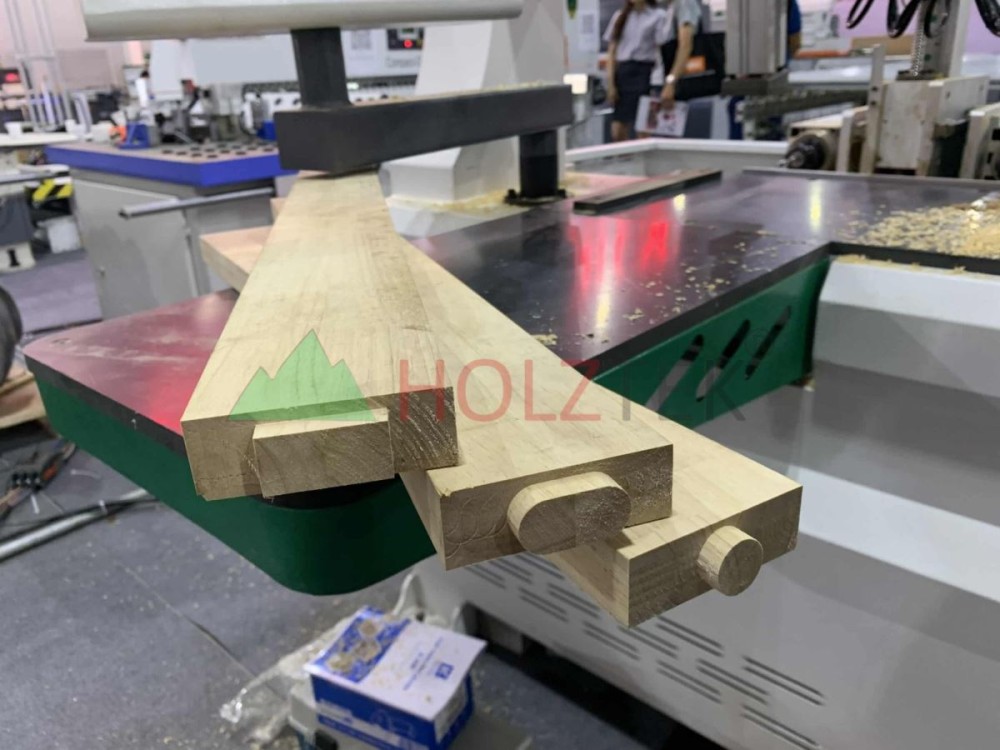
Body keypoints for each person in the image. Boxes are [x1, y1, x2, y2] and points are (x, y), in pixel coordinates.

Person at [604, 0, 671, 142]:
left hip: (645, 73)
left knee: (644, 129)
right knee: (617, 131)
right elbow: (611, 52)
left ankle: (644, 156)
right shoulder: (620, 16)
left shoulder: (658, 16)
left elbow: (662, 47)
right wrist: (610, 84)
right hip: (623, 73)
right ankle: (627, 156)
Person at [658, 0, 705, 106]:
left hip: (683, 83)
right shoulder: (671, 7)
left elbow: (685, 46)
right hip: (672, 80)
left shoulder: (684, 3)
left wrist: (671, 82)